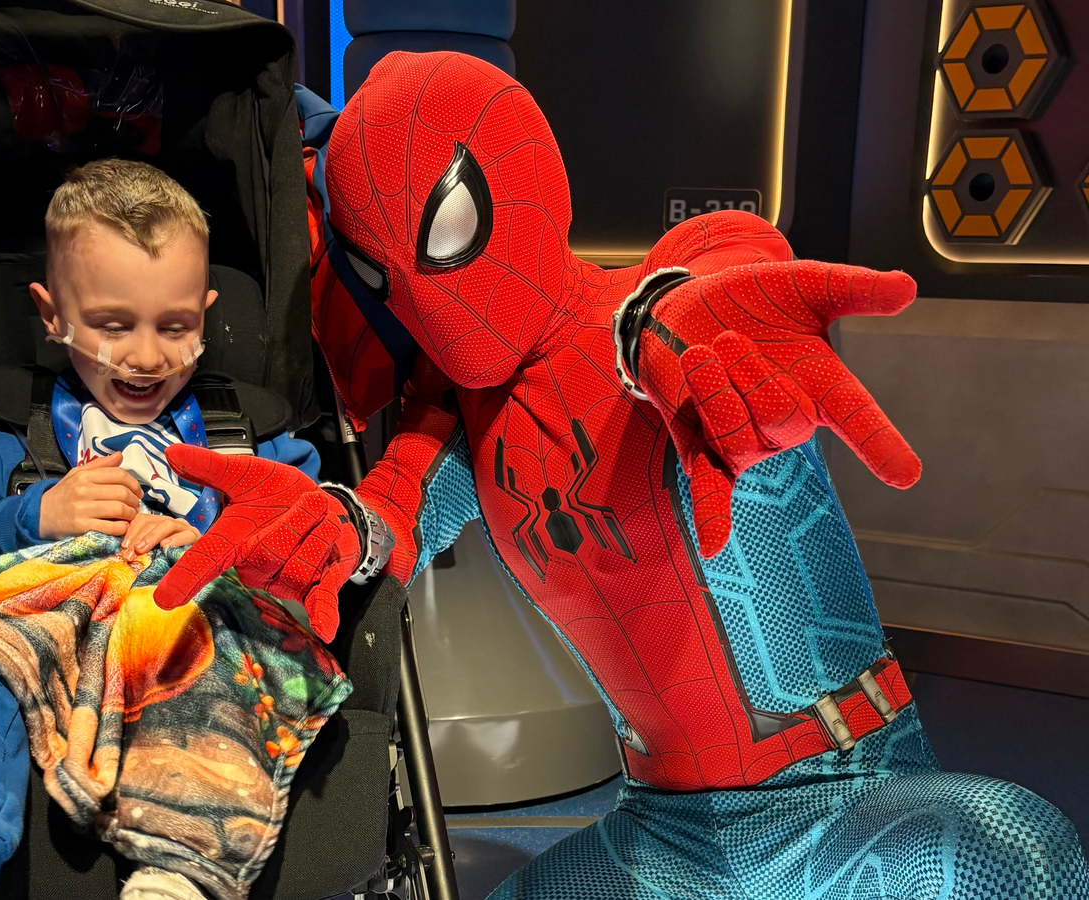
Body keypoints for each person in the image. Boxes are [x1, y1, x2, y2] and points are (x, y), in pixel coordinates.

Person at [156, 52, 1089, 899]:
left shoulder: (671, 304)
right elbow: (391, 516)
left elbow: (717, 277)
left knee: (1006, 853)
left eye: (445, 228)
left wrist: (672, 333)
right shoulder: (457, 420)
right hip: (662, 833)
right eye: (383, 274)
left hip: (843, 794)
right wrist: (330, 529)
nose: (435, 306)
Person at [0, 159, 319, 900]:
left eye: (176, 327)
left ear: (207, 313)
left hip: (178, 639)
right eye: (113, 326)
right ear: (52, 314)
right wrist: (33, 515)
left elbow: (312, 539)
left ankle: (179, 873)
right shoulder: (12, 436)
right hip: (36, 636)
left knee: (216, 654)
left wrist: (220, 548)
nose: (147, 357)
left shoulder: (247, 440)